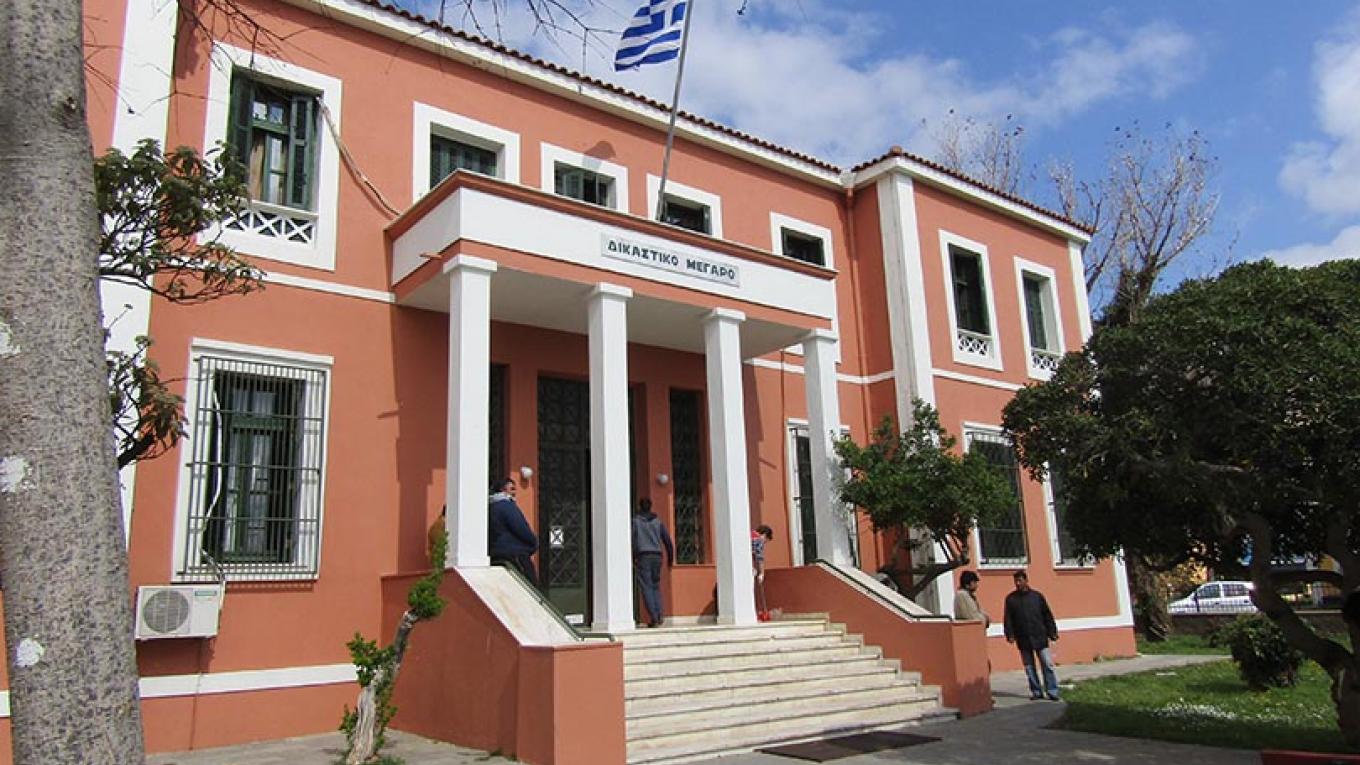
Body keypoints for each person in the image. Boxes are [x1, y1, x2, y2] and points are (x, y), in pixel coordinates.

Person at [1003, 570, 1060, 700]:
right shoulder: (1011, 599)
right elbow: (1008, 619)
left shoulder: (1037, 597)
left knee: (1047, 664)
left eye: (1020, 580)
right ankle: (1036, 691)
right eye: (1016, 581)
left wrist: (1052, 632)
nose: (1018, 583)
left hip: (1040, 636)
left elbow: (1047, 615)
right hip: (1023, 638)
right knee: (1029, 667)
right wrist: (1010, 634)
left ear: (1026, 580)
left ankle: (1052, 691)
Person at [631, 498, 674, 628]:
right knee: (655, 586)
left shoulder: (636, 522)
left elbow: (632, 539)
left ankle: (654, 617)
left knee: (647, 587)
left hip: (643, 556)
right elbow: (667, 541)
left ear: (640, 506)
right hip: (657, 556)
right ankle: (659, 615)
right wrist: (670, 559)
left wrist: (632, 557)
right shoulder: (657, 522)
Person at [488, 478, 538, 587]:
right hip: (515, 554)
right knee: (529, 587)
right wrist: (533, 543)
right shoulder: (507, 506)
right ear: (503, 489)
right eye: (512, 489)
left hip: (496, 554)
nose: (514, 492)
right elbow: (520, 527)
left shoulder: (490, 507)